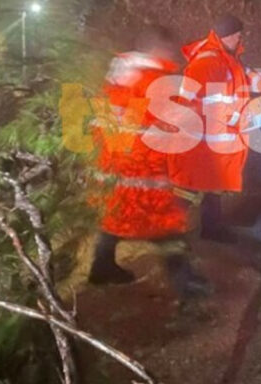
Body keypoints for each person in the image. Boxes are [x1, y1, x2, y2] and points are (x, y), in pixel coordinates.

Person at [89, 26, 211, 300]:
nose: (173, 55)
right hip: (144, 170)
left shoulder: (116, 77)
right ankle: (186, 284)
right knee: (167, 227)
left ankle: (101, 267)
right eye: (170, 50)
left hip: (113, 168)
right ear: (158, 49)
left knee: (114, 218)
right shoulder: (155, 79)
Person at [169, 14, 253, 243]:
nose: (239, 37)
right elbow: (188, 100)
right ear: (225, 35)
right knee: (188, 188)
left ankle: (212, 230)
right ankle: (166, 233)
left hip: (217, 137)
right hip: (200, 139)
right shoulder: (208, 61)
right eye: (236, 34)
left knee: (214, 186)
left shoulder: (227, 59)